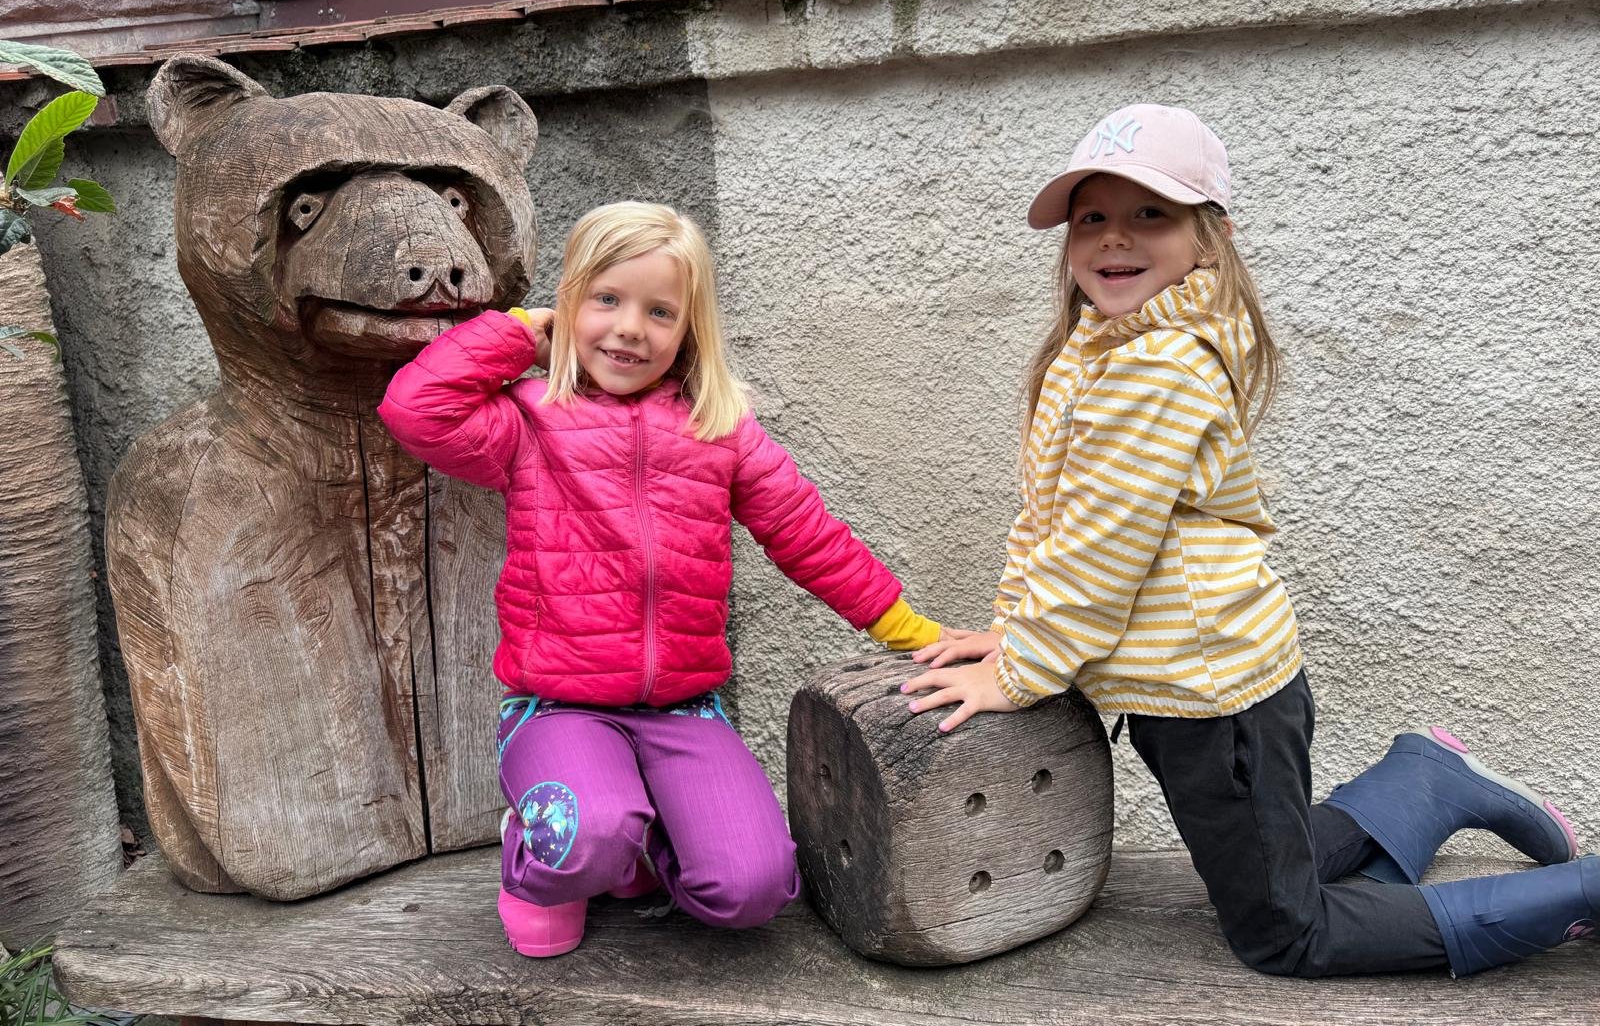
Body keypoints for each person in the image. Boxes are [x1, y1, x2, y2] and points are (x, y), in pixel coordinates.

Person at [901, 104, 1594, 978]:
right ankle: (1424, 781)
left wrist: (1021, 669)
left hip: (1213, 696)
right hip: (1190, 688)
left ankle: (1581, 890)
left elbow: (1102, 553)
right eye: (1091, 217)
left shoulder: (1155, 366)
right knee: (1270, 862)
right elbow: (1050, 518)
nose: (1114, 237)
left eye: (1150, 213)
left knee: (1284, 932)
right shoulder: (1098, 352)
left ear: (1210, 239)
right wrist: (1012, 630)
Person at [379, 201, 944, 957]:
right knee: (584, 839)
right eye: (605, 299)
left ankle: (639, 845)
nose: (629, 329)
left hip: (683, 710)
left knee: (753, 889)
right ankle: (543, 859)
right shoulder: (530, 419)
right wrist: (520, 332)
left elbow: (807, 534)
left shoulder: (720, 428)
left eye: (659, 311)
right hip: (559, 706)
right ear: (570, 302)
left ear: (688, 329)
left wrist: (907, 630)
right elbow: (415, 410)